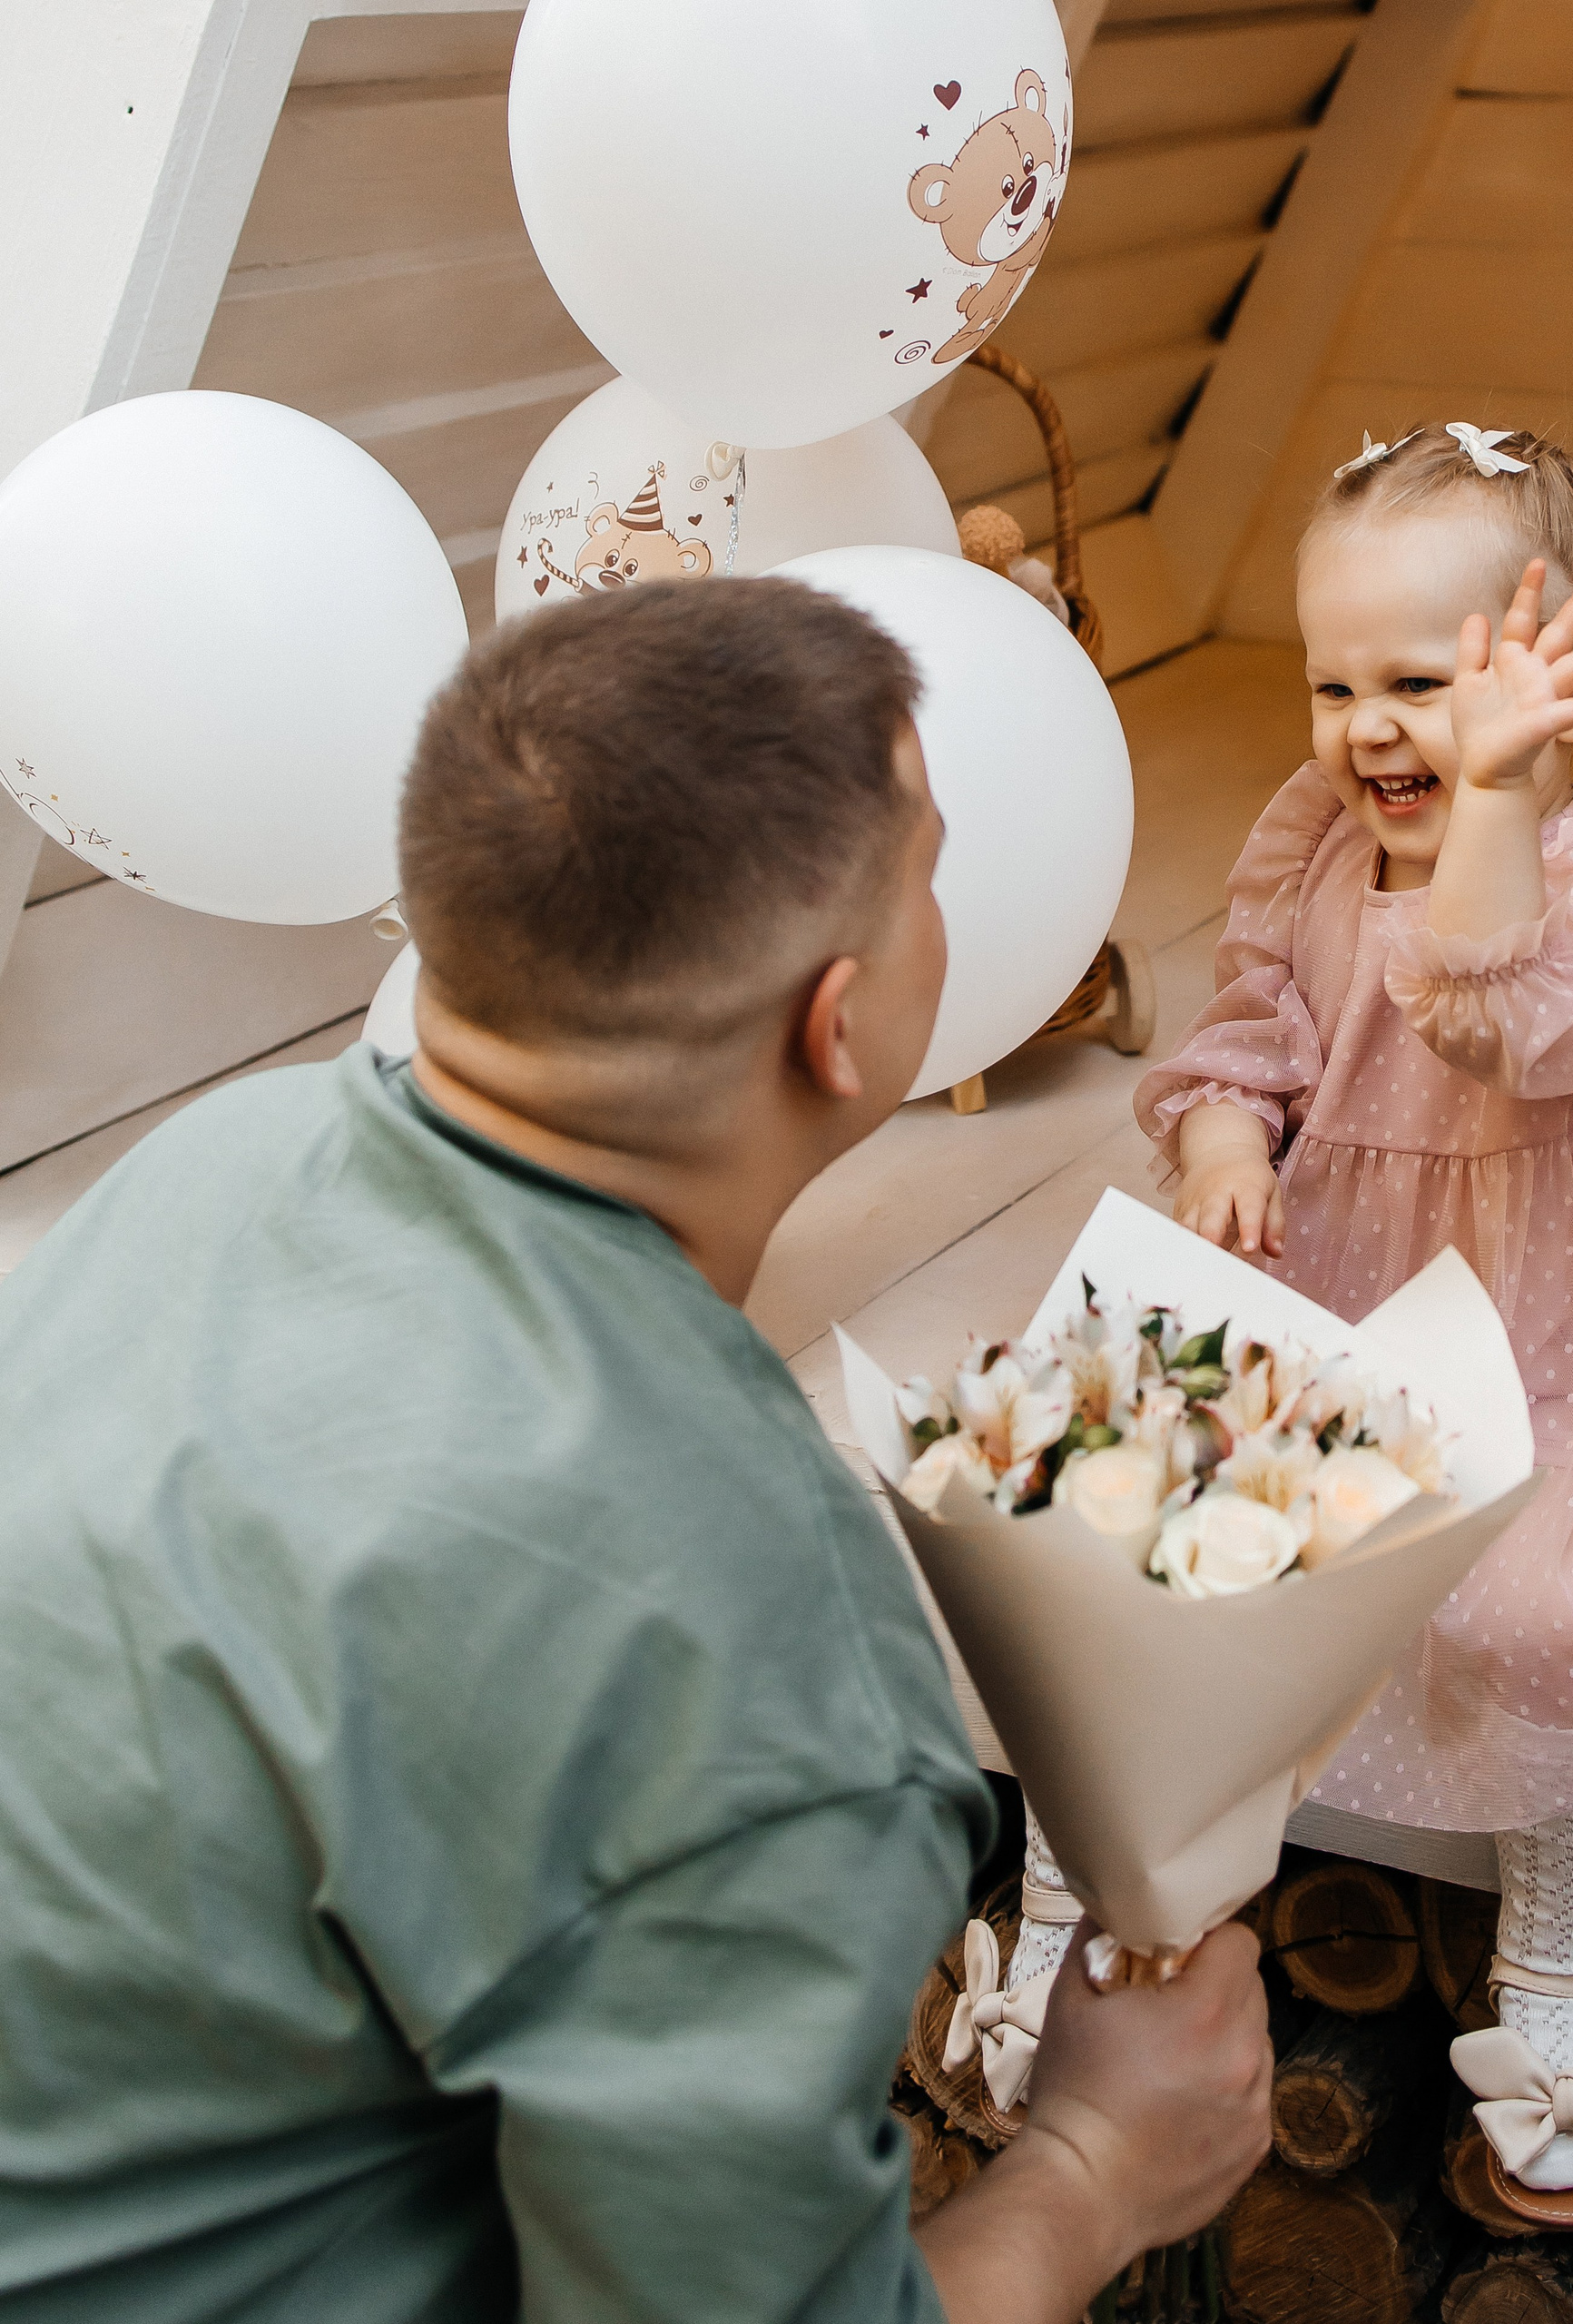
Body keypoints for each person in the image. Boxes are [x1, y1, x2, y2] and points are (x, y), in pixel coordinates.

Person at [0, 578, 1271, 2321]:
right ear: (843, 1025)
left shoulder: (208, 1163)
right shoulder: (754, 1649)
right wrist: (1097, 2168)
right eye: (934, 876)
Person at [1125, 423, 1573, 2228]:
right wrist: (1228, 1128)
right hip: (1351, 1282)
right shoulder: (1313, 840)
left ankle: (1553, 1959)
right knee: (1153, 1519)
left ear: (1557, 677)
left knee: (1539, 1596)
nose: (1367, 727)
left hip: (1546, 1318)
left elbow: (1505, 1030)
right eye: (1334, 681)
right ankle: (1105, 1903)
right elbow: (1258, 1019)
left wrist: (1491, 802)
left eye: (1421, 682)